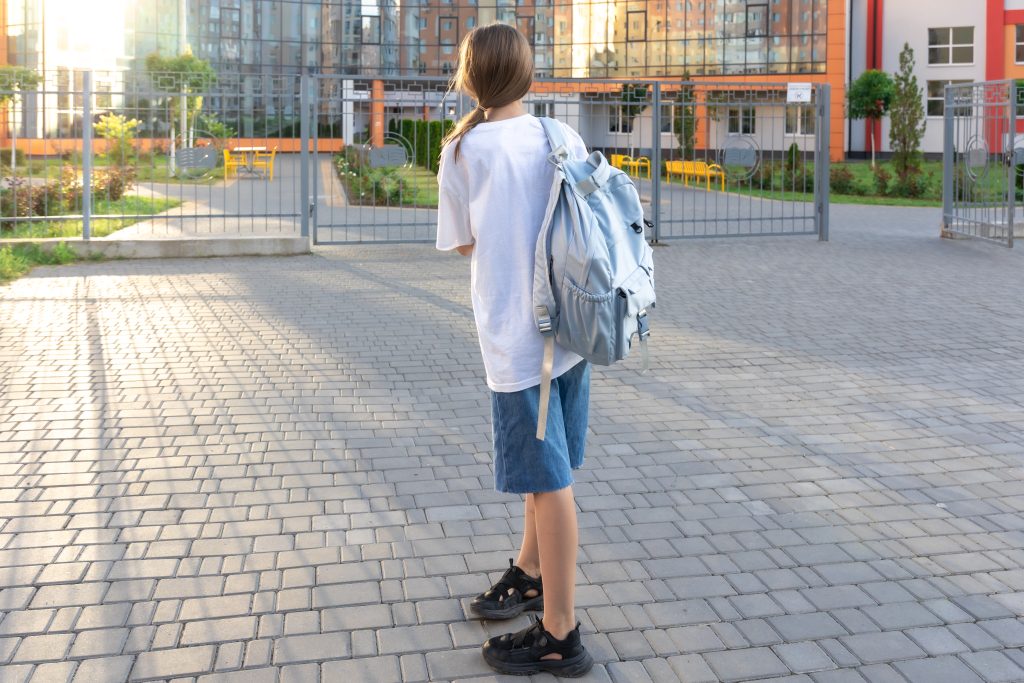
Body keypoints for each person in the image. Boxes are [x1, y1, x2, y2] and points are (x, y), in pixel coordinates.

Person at [435, 22, 595, 679]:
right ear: (527, 75)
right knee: (550, 469)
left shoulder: (464, 150)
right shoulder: (562, 134)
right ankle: (530, 573)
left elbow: (467, 243)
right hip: (574, 332)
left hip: (517, 339)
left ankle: (561, 634)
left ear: (470, 78)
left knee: (548, 480)